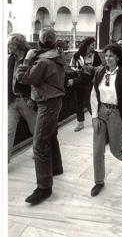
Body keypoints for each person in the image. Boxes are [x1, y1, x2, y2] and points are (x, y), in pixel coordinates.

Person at [16, 28, 65, 205]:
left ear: (40, 42)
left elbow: (23, 78)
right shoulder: (56, 56)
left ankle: (44, 187)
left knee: (39, 144)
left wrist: (28, 58)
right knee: (50, 136)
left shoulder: (43, 61)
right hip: (55, 101)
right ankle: (56, 167)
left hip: (47, 104)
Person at [90, 43, 122, 196]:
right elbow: (93, 95)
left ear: (118, 57)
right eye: (105, 56)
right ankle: (99, 181)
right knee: (97, 150)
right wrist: (94, 116)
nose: (107, 58)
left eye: (111, 56)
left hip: (116, 114)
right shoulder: (99, 72)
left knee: (114, 150)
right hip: (101, 113)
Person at [8, 33, 37, 162]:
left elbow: (34, 80)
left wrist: (32, 98)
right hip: (13, 100)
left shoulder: (30, 57)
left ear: (18, 45)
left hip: (26, 100)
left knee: (35, 129)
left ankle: (39, 153)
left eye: (11, 44)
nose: (8, 46)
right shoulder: (11, 59)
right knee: (8, 130)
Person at [68, 37, 102, 132]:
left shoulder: (95, 55)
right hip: (79, 81)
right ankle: (80, 122)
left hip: (90, 81)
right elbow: (72, 66)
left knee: (90, 101)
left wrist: (93, 68)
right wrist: (77, 69)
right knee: (78, 101)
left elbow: (100, 67)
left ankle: (96, 120)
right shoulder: (77, 55)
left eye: (94, 45)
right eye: (92, 45)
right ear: (87, 45)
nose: (94, 47)